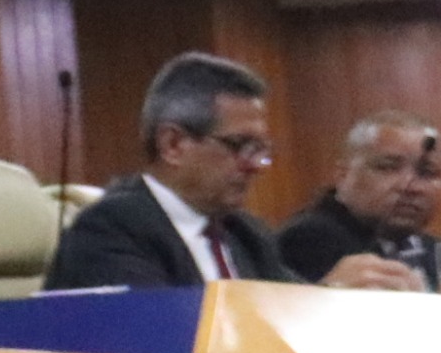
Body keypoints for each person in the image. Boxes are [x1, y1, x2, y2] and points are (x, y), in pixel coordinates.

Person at [42, 51, 410, 289]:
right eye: (239, 146)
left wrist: (342, 299)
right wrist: (326, 294)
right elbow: (161, 338)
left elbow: (287, 312)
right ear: (173, 145)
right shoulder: (110, 229)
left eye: (260, 149)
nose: (254, 166)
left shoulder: (244, 233)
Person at [277, 114, 441, 289]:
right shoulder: (308, 241)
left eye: (427, 172)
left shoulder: (428, 246)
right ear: (343, 174)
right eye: (387, 167)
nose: (410, 187)